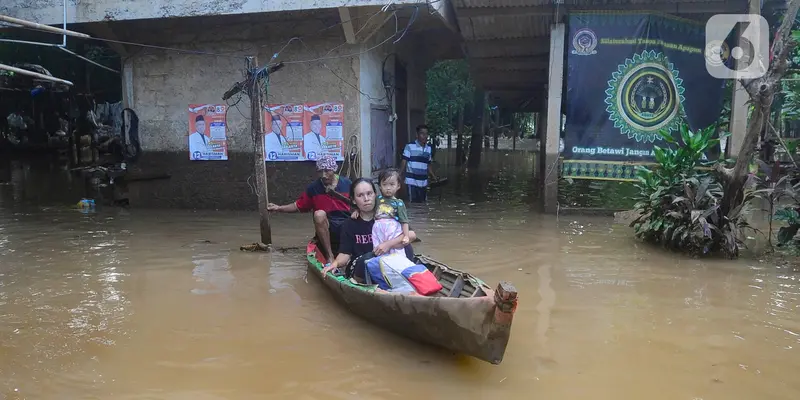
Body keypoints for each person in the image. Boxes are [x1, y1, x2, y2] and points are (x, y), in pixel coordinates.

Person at [322, 178, 417, 282]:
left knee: (406, 247)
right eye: (360, 195)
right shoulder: (349, 224)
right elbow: (345, 254)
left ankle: (404, 277)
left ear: (376, 195)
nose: (366, 198)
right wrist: (335, 264)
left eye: (369, 193)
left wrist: (388, 244)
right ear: (354, 200)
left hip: (388, 263)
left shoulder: (388, 216)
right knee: (368, 259)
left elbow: (411, 235)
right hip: (361, 269)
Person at [267, 155, 350, 264]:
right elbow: (298, 205)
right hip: (328, 226)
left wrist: (357, 211)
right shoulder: (313, 188)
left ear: (334, 169)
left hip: (347, 224)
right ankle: (329, 255)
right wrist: (278, 208)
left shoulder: (348, 184)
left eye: (327, 171)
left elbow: (359, 203)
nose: (324, 175)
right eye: (321, 171)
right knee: (319, 215)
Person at [353, 168, 410, 256]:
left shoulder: (399, 203)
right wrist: (356, 210)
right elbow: (367, 207)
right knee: (377, 249)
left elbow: (404, 221)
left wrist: (406, 235)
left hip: (392, 228)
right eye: (384, 185)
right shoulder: (377, 199)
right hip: (378, 228)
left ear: (398, 186)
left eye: (392, 184)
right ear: (380, 186)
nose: (388, 188)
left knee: (396, 251)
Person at [400, 124, 438, 203]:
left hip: (423, 182)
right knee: (412, 204)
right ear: (417, 135)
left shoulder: (429, 149)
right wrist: (398, 175)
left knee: (422, 205)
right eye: (422, 133)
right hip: (411, 181)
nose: (425, 136)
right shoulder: (409, 146)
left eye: (426, 134)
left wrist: (434, 176)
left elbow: (428, 165)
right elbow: (404, 162)